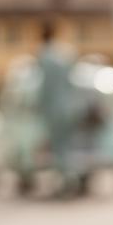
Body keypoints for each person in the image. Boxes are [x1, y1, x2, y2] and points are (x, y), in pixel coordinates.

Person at [34, 22, 76, 193]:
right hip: (69, 106)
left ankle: (65, 181)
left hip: (53, 108)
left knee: (58, 147)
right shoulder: (65, 53)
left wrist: (39, 106)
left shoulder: (44, 55)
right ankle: (70, 178)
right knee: (66, 146)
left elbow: (45, 87)